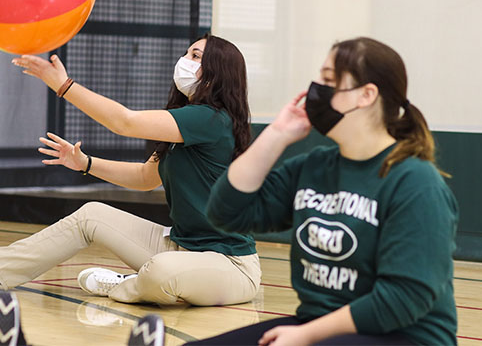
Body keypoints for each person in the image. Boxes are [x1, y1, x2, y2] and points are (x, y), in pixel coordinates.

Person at [0, 33, 261, 307]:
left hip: (230, 265)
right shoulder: (184, 121)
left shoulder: (211, 120)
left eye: (195, 55)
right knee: (91, 215)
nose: (185, 60)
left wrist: (64, 86)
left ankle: (127, 286)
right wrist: (86, 164)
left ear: (217, 72)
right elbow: (143, 178)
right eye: (186, 53)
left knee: (161, 272)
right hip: (179, 245)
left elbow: (125, 122)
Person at [193, 37, 458, 345]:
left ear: (366, 95)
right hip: (318, 325)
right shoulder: (315, 166)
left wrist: (306, 335)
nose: (315, 89)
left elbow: (403, 298)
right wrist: (276, 135)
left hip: (403, 336)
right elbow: (225, 212)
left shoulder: (416, 182)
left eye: (330, 80)